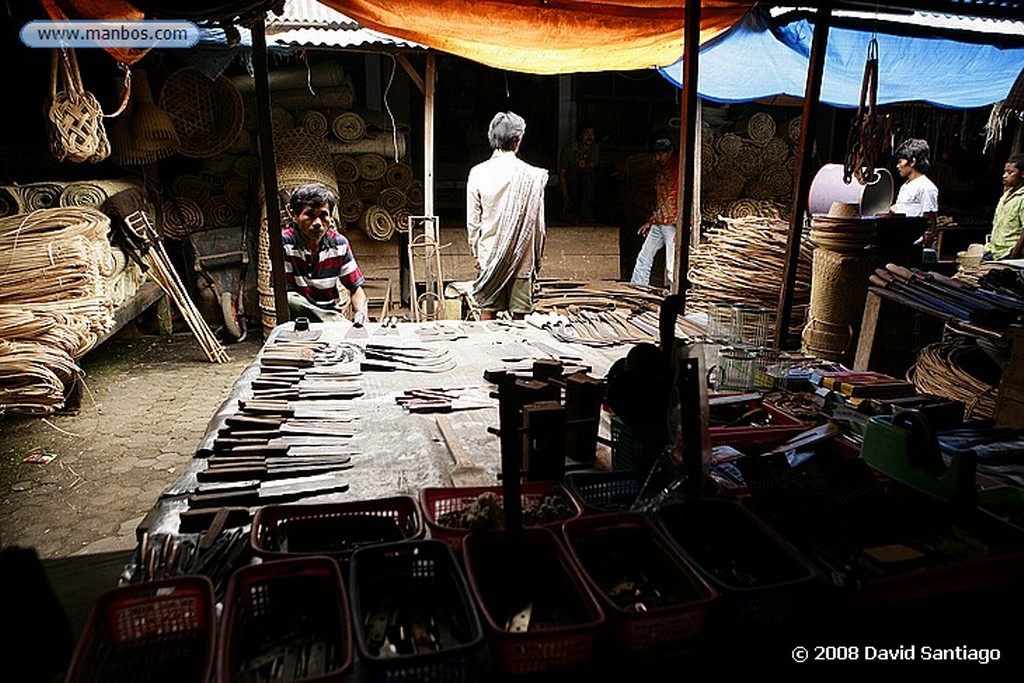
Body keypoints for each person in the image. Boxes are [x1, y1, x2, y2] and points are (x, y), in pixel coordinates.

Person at [466, 111, 548, 320]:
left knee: (487, 314)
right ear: (518, 141)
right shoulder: (532, 175)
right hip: (522, 258)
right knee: (519, 320)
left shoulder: (478, 172)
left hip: (489, 255)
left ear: (492, 138)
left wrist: (476, 252)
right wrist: (537, 256)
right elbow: (538, 225)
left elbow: (473, 221)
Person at [282, 182, 368, 324]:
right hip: (297, 318)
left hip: (330, 312)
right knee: (289, 298)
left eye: (323, 215)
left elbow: (355, 288)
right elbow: (287, 296)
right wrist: (333, 320)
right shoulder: (285, 243)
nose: (317, 222)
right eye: (309, 214)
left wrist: (361, 314)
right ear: (294, 216)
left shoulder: (339, 244)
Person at [630, 137, 680, 288]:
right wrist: (651, 221)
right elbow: (663, 199)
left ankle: (675, 299)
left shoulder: (678, 168)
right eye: (656, 155)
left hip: (673, 224)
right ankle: (638, 291)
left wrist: (681, 225)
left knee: (672, 267)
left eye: (661, 154)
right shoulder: (664, 169)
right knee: (643, 258)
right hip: (659, 222)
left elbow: (681, 197)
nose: (658, 158)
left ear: (670, 151)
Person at [890, 138, 939, 247]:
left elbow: (930, 219)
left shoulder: (926, 187)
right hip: (902, 240)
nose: (898, 166)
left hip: (916, 244)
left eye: (900, 161)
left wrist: (927, 241)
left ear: (912, 161)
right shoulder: (906, 185)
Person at [984, 154, 1024, 261]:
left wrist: (1015, 253)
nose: (1004, 175)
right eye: (1005, 172)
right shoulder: (1007, 194)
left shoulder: (1022, 198)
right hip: (994, 250)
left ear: (1022, 174)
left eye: (1010, 172)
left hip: (1009, 253)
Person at [558, 122, 599, 222]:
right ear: (580, 135)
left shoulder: (594, 148)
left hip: (586, 182)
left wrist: (584, 166)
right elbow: (562, 174)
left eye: (592, 133)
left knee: (588, 180)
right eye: (587, 133)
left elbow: (590, 168)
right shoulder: (569, 150)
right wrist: (565, 195)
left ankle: (584, 214)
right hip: (571, 182)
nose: (590, 136)